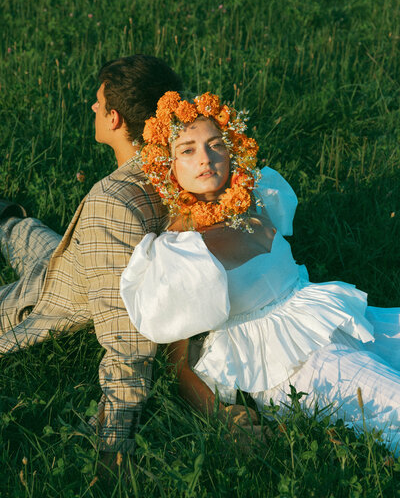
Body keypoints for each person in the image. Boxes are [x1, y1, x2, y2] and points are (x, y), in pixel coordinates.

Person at [120, 90, 400, 454]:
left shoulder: (259, 194)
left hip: (329, 321)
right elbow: (179, 367)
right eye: (187, 150)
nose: (205, 158)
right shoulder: (178, 249)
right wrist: (221, 418)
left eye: (215, 144)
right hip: (287, 363)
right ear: (168, 166)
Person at [0, 54, 183, 455]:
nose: (93, 106)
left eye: (100, 102)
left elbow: (124, 335)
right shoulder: (184, 165)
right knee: (31, 235)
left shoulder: (111, 202)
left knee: (35, 276)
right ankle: (9, 222)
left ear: (115, 118)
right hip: (82, 259)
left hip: (59, 295)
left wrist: (114, 437)